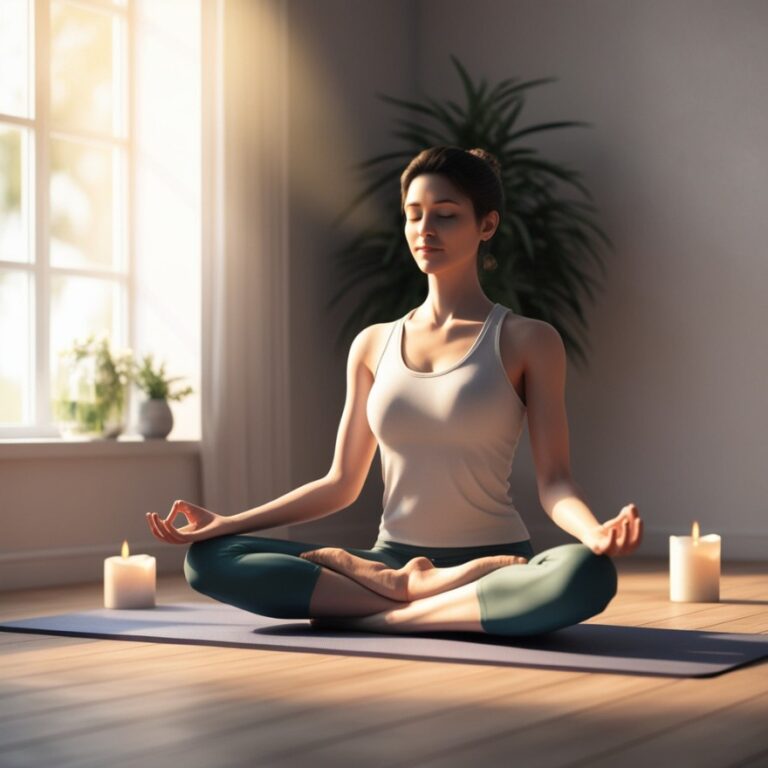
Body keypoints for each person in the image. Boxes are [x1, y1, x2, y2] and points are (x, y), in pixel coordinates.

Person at [146, 146, 642, 637]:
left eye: (446, 216)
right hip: (387, 562)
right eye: (414, 215)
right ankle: (424, 599)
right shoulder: (373, 343)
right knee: (210, 559)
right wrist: (228, 522)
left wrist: (594, 533)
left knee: (587, 574)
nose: (425, 230)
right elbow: (341, 482)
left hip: (494, 562)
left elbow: (554, 481)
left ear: (486, 226)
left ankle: (390, 613)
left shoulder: (528, 340)